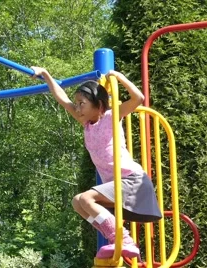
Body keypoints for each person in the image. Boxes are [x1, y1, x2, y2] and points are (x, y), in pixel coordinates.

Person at [30, 66, 162, 260]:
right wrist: (47, 75)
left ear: (98, 105)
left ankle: (123, 239)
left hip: (132, 181)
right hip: (116, 185)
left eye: (81, 103)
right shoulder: (86, 124)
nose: (77, 108)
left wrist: (119, 76)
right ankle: (114, 236)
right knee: (78, 202)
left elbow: (138, 99)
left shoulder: (110, 117)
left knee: (86, 199)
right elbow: (62, 99)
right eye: (77, 104)